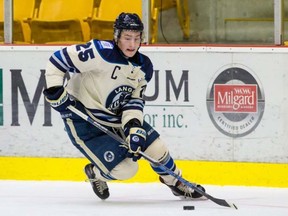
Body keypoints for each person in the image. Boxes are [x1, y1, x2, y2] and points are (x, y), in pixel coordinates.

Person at [43, 12, 206, 200]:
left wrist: (134, 127)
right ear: (117, 36)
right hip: (83, 119)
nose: (132, 44)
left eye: (137, 38)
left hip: (117, 118)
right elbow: (57, 60)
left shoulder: (144, 66)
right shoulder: (99, 52)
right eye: (127, 38)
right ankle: (94, 173)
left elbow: (133, 101)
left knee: (157, 148)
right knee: (127, 169)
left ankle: (176, 182)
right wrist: (55, 90)